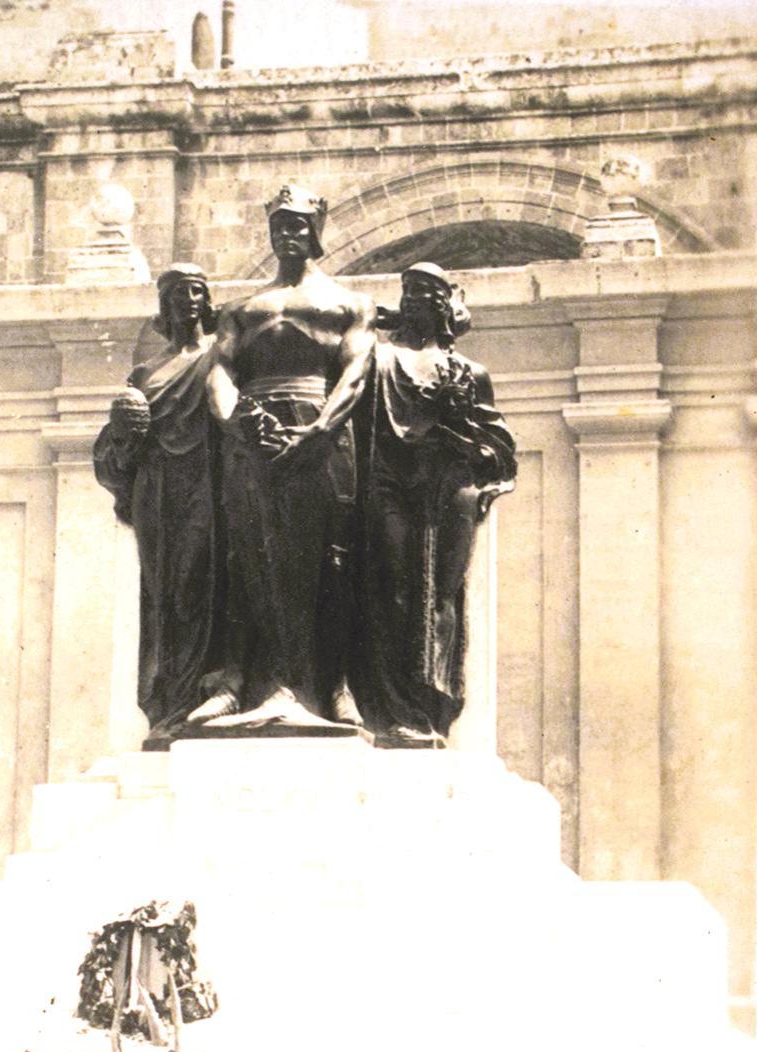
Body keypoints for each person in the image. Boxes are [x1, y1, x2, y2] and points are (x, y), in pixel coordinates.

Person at [189, 184, 376, 731]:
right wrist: (237, 423)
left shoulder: (348, 304)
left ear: (316, 230)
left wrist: (319, 431)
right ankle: (240, 684)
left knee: (331, 561)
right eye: (278, 223)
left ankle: (335, 687)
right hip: (255, 434)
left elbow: (355, 371)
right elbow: (219, 372)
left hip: (321, 435)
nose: (287, 232)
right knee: (248, 557)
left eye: (297, 223)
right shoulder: (243, 310)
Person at [359, 261, 516, 746]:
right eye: (409, 292)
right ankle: (392, 709)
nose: (417, 301)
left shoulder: (469, 372)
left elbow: (497, 449)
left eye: (428, 293)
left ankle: (432, 705)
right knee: (394, 589)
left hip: (448, 488)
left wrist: (456, 422)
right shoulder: (378, 361)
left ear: (447, 305)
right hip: (389, 483)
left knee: (442, 595)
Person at [93, 264, 224, 743]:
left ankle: (204, 694)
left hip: (206, 486)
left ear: (207, 302)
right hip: (157, 490)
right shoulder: (145, 373)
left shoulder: (221, 357)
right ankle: (170, 704)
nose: (188, 300)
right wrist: (125, 434)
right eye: (177, 294)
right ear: (165, 306)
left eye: (196, 292)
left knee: (199, 585)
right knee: (163, 594)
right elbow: (114, 454)